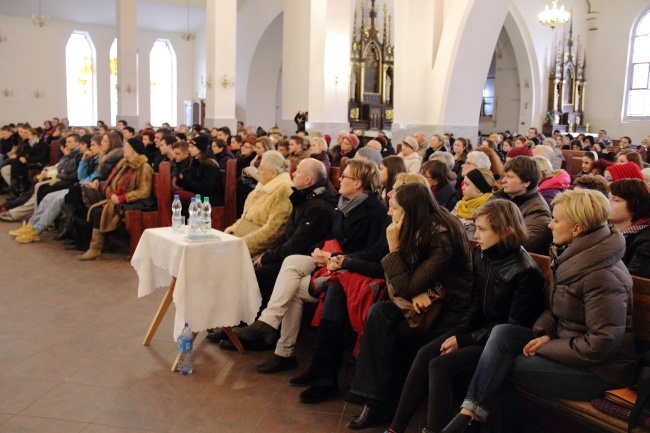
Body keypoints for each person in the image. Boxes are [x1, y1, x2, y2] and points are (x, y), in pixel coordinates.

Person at [437, 189, 635, 433]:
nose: (550, 225)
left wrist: (544, 346)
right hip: (568, 345)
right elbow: (557, 308)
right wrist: (545, 332)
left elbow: (602, 343)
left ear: (577, 228)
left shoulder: (602, 275)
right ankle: (470, 414)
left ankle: (470, 419)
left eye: (557, 219)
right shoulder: (575, 256)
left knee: (500, 367)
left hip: (598, 370)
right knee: (503, 333)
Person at [388, 199, 545, 433]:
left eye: (482, 229)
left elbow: (511, 327)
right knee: (425, 353)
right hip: (479, 330)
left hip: (499, 345)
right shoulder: (482, 254)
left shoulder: (525, 271)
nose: (476, 235)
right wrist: (461, 331)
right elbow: (475, 304)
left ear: (505, 231)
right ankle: (395, 428)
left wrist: (464, 340)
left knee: (440, 366)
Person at [232, 158, 388, 371]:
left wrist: (335, 257)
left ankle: (281, 346)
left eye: (345, 177)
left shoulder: (376, 211)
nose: (339, 180)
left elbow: (374, 251)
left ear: (358, 183)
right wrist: (318, 250)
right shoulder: (344, 204)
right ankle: (270, 326)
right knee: (292, 262)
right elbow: (331, 237)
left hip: (352, 268)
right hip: (332, 260)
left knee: (292, 285)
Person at [346, 186, 474, 429]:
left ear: (410, 211)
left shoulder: (441, 234)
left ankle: (380, 405)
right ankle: (373, 402)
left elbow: (403, 285)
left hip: (450, 310)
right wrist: (416, 290)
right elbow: (398, 283)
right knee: (379, 313)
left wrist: (394, 249)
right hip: (423, 303)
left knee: (391, 332)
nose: (388, 213)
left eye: (394, 208)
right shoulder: (415, 225)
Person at [79, 137, 153, 261]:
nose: (124, 149)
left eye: (127, 147)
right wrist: (112, 194)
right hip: (117, 199)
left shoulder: (143, 167)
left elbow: (144, 191)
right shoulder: (124, 165)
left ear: (134, 150)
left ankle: (95, 249)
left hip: (132, 202)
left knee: (100, 212)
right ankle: (96, 248)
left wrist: (123, 198)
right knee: (97, 211)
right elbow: (111, 183)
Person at [225, 151, 293, 260]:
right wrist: (231, 232)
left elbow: (273, 231)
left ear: (273, 173)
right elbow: (244, 218)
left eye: (261, 168)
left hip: (254, 250)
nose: (258, 172)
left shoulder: (284, 190)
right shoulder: (262, 186)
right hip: (237, 239)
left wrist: (241, 244)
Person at [489, 156, 552, 254]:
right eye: (504, 176)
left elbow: (524, 245)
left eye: (509, 177)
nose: (503, 181)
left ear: (526, 182)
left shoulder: (538, 210)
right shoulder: (498, 198)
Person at [608, 179, 650, 279]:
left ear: (635, 206)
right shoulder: (606, 229)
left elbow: (635, 282)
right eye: (608, 197)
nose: (607, 202)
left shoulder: (646, 241)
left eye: (616, 200)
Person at [175, 135, 224, 207]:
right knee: (171, 192)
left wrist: (185, 182)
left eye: (192, 147)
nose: (189, 149)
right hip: (197, 193)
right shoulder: (195, 161)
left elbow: (206, 187)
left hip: (209, 198)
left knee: (178, 195)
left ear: (200, 149)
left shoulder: (210, 165)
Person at [451, 168, 498, 240]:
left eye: (467, 184)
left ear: (479, 188)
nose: (463, 188)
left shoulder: (490, 209)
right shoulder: (460, 204)